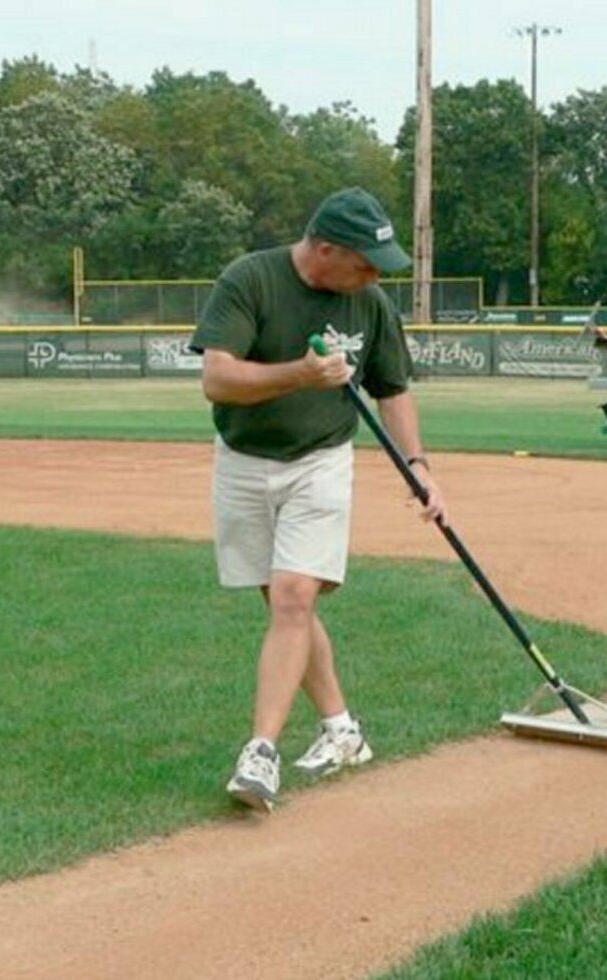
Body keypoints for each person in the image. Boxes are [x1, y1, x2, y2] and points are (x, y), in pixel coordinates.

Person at [189, 186, 447, 812]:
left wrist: (418, 465)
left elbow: (393, 389)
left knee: (294, 597)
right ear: (325, 249)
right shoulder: (251, 280)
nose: (374, 277)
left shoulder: (370, 303)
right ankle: (342, 730)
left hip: (321, 460)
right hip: (244, 460)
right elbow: (217, 379)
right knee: (285, 605)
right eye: (365, 264)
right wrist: (300, 374)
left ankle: (260, 753)